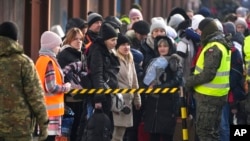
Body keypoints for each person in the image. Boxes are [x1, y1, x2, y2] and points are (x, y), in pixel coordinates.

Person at [0, 21, 48, 141]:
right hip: (18, 128)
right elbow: (35, 96)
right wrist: (43, 124)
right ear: (16, 39)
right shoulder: (23, 62)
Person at [185, 18, 232, 141]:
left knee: (205, 132)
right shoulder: (221, 44)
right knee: (213, 132)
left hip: (208, 97)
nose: (199, 34)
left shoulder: (213, 47)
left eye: (200, 31)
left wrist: (189, 81)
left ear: (207, 30)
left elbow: (208, 74)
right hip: (217, 95)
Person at [143, 35, 183, 141]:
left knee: (166, 135)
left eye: (165, 46)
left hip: (168, 102)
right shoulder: (152, 61)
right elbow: (145, 79)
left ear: (170, 47)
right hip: (153, 102)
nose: (162, 48)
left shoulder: (174, 61)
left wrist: (160, 87)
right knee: (153, 134)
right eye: (160, 46)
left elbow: (177, 80)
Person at [35, 31, 71, 141]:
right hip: (51, 112)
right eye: (57, 45)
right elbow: (51, 87)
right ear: (51, 46)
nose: (59, 48)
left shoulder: (40, 60)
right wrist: (66, 87)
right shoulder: (50, 62)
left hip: (43, 109)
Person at [57, 27, 87, 141]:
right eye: (75, 39)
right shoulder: (64, 55)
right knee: (68, 132)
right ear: (69, 40)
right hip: (69, 99)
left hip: (80, 97)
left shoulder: (81, 54)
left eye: (81, 39)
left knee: (78, 131)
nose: (79, 41)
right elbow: (64, 76)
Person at [112, 33, 141, 141]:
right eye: (123, 44)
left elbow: (134, 80)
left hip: (128, 100)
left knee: (120, 134)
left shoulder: (130, 59)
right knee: (114, 134)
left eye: (128, 44)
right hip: (116, 101)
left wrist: (137, 99)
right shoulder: (114, 59)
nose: (126, 47)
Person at [87, 22, 119, 119]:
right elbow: (97, 74)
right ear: (105, 40)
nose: (115, 43)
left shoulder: (107, 51)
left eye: (116, 40)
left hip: (107, 92)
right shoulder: (98, 51)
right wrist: (99, 98)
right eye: (112, 40)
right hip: (102, 95)